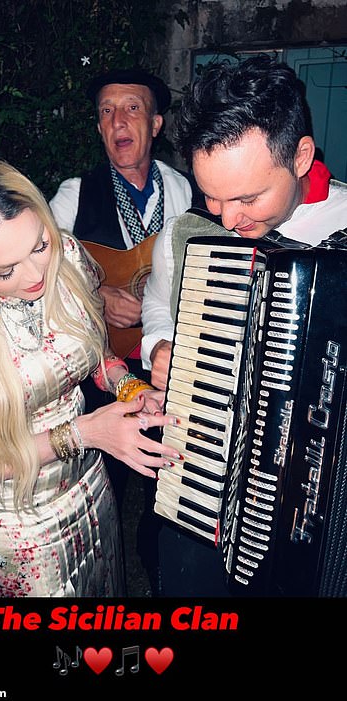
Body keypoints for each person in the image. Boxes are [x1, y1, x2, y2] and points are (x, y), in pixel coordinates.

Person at [0, 154, 182, 598]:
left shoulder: (66, 255)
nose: (36, 276)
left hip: (91, 488)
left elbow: (94, 352)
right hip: (19, 526)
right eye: (4, 272)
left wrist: (128, 385)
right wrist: (85, 433)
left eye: (38, 246)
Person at [141, 53, 347, 596]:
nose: (228, 219)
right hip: (207, 488)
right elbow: (158, 306)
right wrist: (159, 345)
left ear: (300, 156)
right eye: (212, 195)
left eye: (248, 198)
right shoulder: (189, 227)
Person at [49, 67, 194, 594]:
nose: (118, 120)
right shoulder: (72, 195)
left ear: (155, 123)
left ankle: (164, 571)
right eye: (107, 111)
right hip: (100, 368)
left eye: (132, 108)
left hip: (165, 358)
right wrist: (95, 295)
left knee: (171, 479)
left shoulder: (183, 190)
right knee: (103, 480)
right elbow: (36, 271)